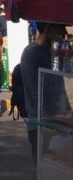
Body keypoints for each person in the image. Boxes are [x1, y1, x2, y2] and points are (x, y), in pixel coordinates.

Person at [20, 21, 69, 166]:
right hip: (41, 122)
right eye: (60, 29)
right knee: (44, 169)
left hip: (57, 121)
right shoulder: (31, 53)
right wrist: (58, 113)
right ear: (49, 29)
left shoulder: (51, 52)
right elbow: (36, 91)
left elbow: (59, 86)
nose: (64, 33)